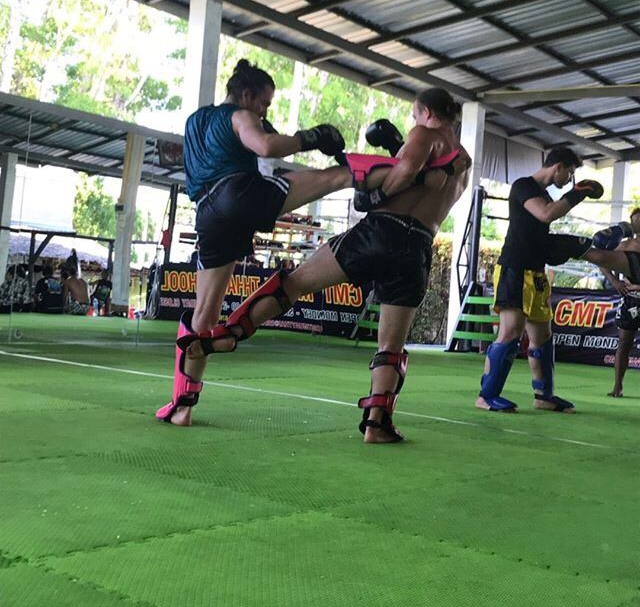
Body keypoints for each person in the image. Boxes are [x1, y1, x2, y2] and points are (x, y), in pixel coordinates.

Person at [161, 86, 471, 444]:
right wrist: (397, 151)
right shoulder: (463, 162)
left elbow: (405, 170)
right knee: (390, 347)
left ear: (427, 114)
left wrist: (377, 194)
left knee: (294, 284)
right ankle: (377, 425)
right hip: (418, 248)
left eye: (415, 115)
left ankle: (227, 334)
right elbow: (427, 182)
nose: (414, 121)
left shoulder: (425, 134)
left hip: (379, 232)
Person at [155, 58, 351, 424]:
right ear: (246, 95)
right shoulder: (240, 115)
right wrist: (310, 137)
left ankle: (182, 406)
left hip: (208, 214)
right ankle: (397, 178)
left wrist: (270, 130)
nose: (264, 111)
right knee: (337, 177)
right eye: (263, 103)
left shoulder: (195, 121)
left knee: (204, 314)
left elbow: (240, 143)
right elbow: (264, 145)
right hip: (239, 194)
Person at [478, 147, 604, 413]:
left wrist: (559, 247)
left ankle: (543, 396)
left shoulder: (544, 195)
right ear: (558, 166)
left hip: (536, 273)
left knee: (543, 336)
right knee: (510, 332)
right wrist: (578, 193)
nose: (568, 179)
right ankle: (486, 396)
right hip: (514, 269)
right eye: (569, 173)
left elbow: (539, 226)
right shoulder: (523, 186)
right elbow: (546, 214)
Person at [588, 208, 640, 397]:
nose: (637, 223)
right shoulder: (626, 245)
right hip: (631, 300)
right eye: (634, 220)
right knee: (624, 342)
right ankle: (617, 386)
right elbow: (602, 259)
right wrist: (614, 281)